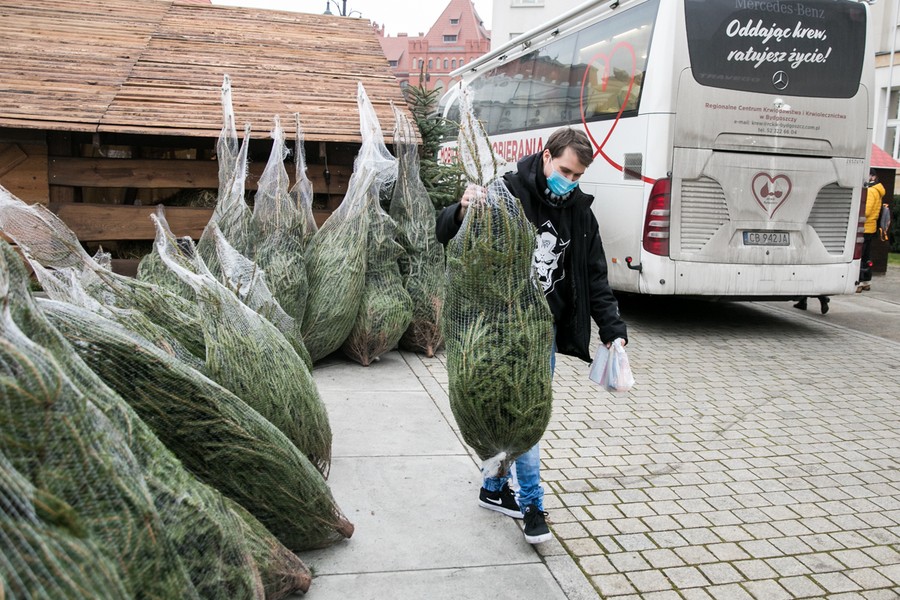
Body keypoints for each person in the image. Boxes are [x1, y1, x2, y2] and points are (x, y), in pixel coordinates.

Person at [436, 127, 628, 544]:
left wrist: (613, 330)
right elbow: (445, 231)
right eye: (565, 171)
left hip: (541, 336)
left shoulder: (580, 213)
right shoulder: (507, 192)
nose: (570, 182)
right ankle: (532, 504)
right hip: (496, 328)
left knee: (522, 414)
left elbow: (595, 277)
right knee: (521, 415)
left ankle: (492, 489)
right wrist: (462, 210)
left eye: (578, 176)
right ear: (545, 157)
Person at [858, 169, 885, 292]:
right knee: (866, 256)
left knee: (860, 255)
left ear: (873, 177)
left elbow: (866, 211)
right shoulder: (878, 191)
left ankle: (859, 282)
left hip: (865, 227)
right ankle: (866, 281)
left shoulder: (871, 191)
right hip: (871, 227)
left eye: (868, 175)